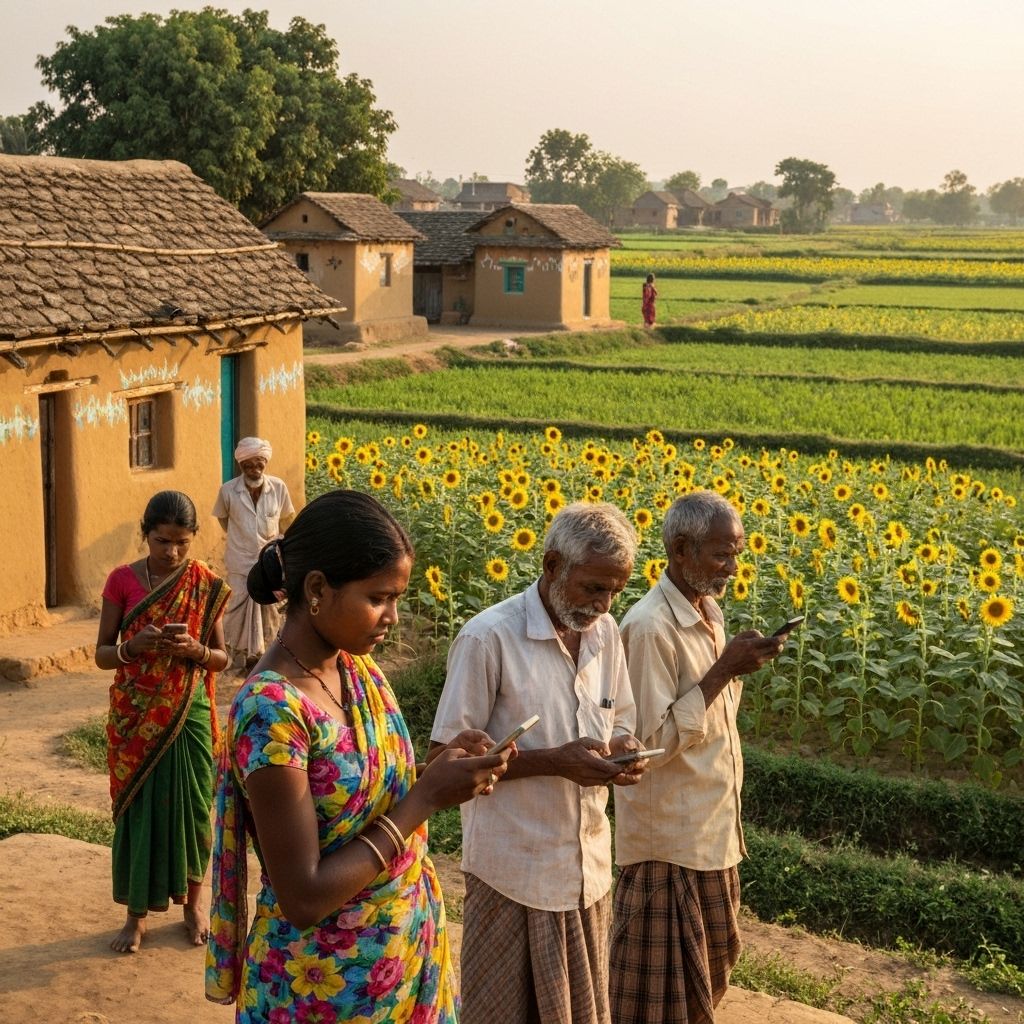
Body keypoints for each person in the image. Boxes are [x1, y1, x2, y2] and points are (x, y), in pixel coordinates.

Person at [205, 489, 510, 1021]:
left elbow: (353, 791)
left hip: (402, 956)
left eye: (397, 598)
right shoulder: (271, 709)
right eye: (378, 597)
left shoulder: (352, 669)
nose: (392, 615)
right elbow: (303, 896)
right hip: (322, 989)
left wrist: (437, 772)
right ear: (318, 588)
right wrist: (425, 799)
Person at [429, 502, 648, 1024]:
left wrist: (623, 750)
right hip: (513, 873)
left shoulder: (606, 633)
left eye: (615, 590)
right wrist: (553, 761)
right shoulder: (488, 637)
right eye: (593, 587)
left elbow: (620, 719)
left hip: (587, 871)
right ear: (552, 566)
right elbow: (444, 760)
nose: (603, 603)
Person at [609, 491, 786, 1024]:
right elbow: (644, 746)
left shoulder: (709, 611)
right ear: (681, 551)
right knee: (653, 997)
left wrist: (729, 666)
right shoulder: (649, 627)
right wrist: (723, 671)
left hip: (712, 832)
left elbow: (711, 725)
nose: (733, 567)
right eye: (721, 555)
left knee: (709, 970)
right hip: (668, 841)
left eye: (736, 553)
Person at [94, 490, 230, 954]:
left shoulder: (205, 583)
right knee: (140, 811)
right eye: (161, 541)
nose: (171, 552)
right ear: (145, 534)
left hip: (188, 712)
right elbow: (101, 654)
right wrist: (135, 647)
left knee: (193, 811)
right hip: (136, 715)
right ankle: (135, 917)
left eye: (181, 543)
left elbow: (221, 658)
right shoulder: (121, 581)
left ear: (192, 540)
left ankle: (193, 906)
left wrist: (194, 651)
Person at [212, 436, 296, 673]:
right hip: (239, 560)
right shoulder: (228, 491)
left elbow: (287, 519)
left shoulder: (278, 488)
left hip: (270, 562)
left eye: (259, 464)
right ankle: (239, 656)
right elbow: (223, 519)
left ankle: (268, 655)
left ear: (265, 462)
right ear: (241, 466)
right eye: (248, 465)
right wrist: (242, 538)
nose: (254, 469)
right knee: (236, 605)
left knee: (269, 607)